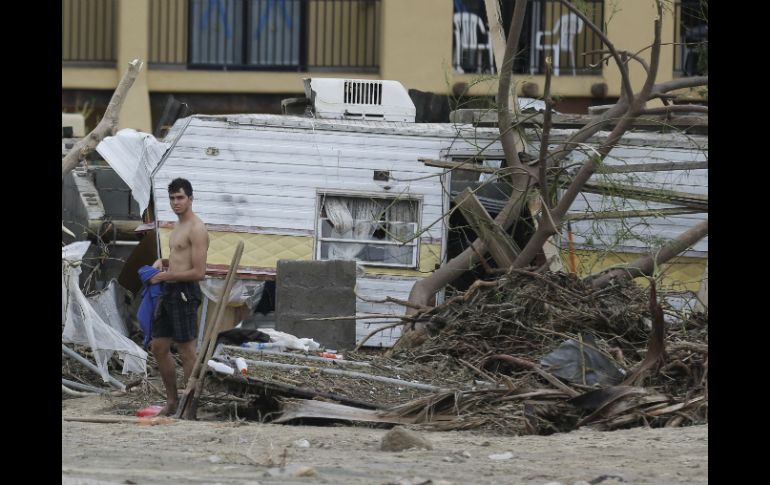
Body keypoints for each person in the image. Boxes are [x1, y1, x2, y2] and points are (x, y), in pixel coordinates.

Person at [149, 178, 209, 415]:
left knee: (187, 351)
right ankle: (172, 402)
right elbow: (177, 258)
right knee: (158, 347)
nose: (176, 202)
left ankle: (190, 406)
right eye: (172, 198)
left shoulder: (197, 228)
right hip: (169, 290)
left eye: (180, 197)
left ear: (190, 199)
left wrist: (166, 276)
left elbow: (199, 272)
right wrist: (161, 263)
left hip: (185, 292)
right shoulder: (177, 225)